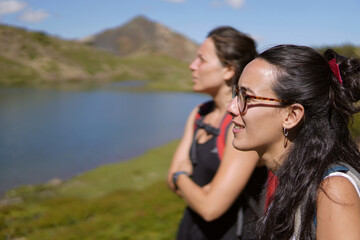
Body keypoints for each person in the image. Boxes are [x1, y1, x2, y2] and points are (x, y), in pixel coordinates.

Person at [227, 44, 360, 239]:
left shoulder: (334, 191)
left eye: (246, 97)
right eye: (236, 93)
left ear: (291, 115)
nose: (231, 107)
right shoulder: (293, 179)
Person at [167, 26, 267, 240]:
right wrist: (194, 188)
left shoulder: (242, 125)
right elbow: (170, 180)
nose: (192, 66)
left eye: (201, 60)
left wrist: (181, 176)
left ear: (228, 70)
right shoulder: (199, 114)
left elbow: (210, 207)